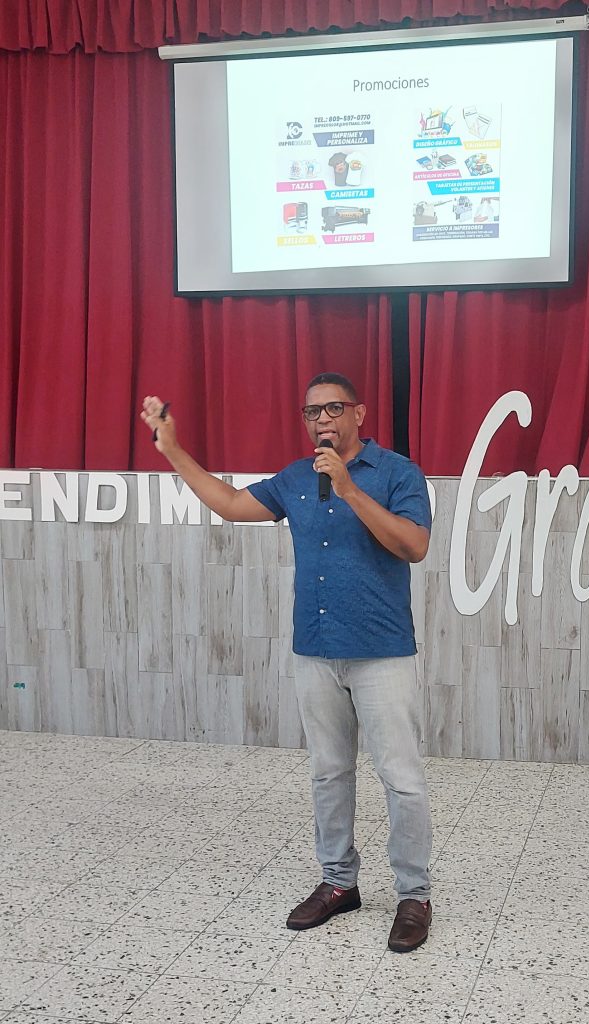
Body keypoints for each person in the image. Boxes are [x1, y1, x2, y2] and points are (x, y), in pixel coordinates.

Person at [140, 373, 434, 953]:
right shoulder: (297, 478)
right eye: (311, 412)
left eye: (333, 408)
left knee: (401, 778)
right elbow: (230, 505)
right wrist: (172, 448)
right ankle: (339, 882)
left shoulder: (397, 473)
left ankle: (414, 895)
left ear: (359, 414)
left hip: (381, 651)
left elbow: (414, 546)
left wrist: (349, 490)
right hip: (316, 649)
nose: (322, 420)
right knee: (328, 772)